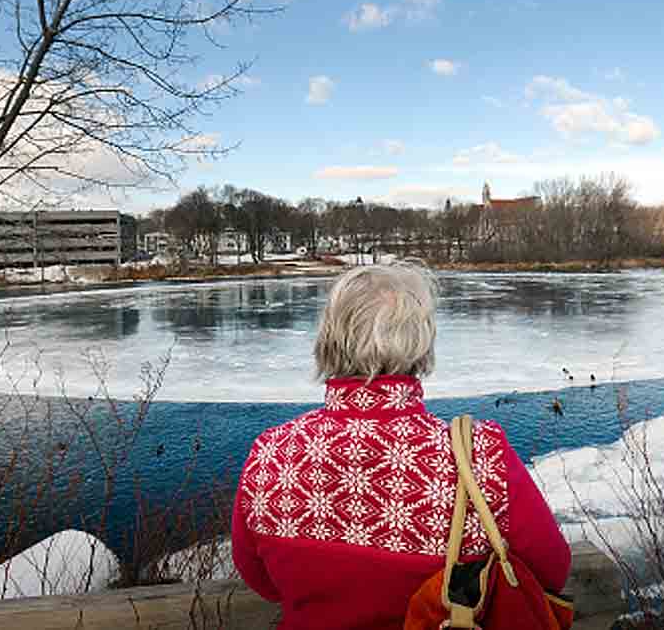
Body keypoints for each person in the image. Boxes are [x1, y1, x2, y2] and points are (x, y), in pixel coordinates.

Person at [232, 262, 571, 629]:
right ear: (421, 343)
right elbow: (551, 569)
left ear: (329, 339)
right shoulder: (479, 456)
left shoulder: (271, 453)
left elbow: (261, 580)